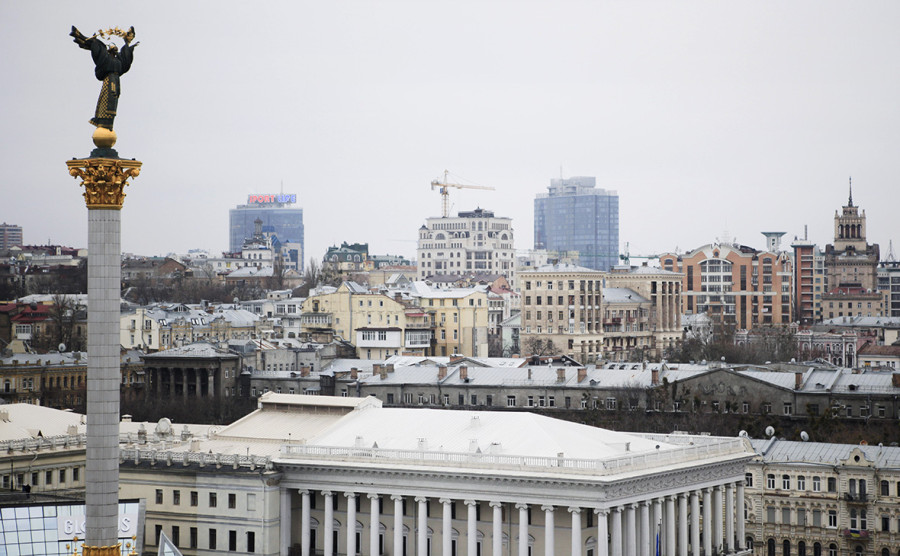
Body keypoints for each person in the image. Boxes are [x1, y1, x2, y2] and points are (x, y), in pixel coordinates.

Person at [70, 26, 138, 130]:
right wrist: (94, 42)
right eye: (112, 47)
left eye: (115, 47)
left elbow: (126, 58)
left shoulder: (119, 61)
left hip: (116, 80)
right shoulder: (105, 58)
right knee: (107, 97)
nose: (114, 48)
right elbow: (98, 50)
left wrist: (127, 42)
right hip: (109, 79)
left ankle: (108, 122)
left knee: (113, 100)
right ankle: (102, 120)